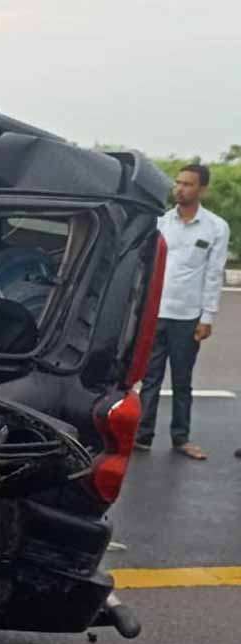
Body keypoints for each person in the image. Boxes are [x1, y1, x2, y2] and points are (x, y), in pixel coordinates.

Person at [135, 164, 230, 459]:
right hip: (155, 314)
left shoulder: (215, 227)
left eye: (188, 184)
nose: (180, 189)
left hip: (188, 318)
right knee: (149, 379)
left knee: (181, 381)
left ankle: (181, 438)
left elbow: (213, 275)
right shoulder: (161, 223)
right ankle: (142, 436)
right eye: (178, 183)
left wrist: (207, 317)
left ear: (202, 190)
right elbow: (145, 268)